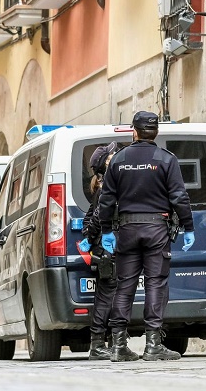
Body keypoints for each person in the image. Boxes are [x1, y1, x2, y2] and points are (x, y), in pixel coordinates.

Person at [99, 111, 195, 362]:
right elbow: (179, 196)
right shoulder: (165, 159)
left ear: (134, 131)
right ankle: (153, 344)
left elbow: (106, 198)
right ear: (156, 132)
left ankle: (119, 344)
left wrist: (107, 229)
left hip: (127, 231)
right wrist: (189, 227)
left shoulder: (119, 159)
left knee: (125, 285)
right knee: (156, 283)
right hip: (156, 230)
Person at [77, 142, 119, 360]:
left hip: (103, 247)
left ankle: (110, 343)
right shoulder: (107, 187)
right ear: (106, 162)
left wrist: (88, 237)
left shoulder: (103, 185)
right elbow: (97, 216)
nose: (116, 154)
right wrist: (93, 238)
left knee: (108, 295)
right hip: (107, 249)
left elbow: (89, 217)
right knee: (106, 296)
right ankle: (98, 345)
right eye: (112, 154)